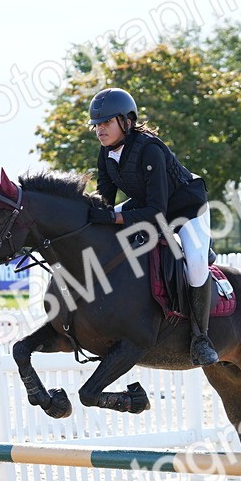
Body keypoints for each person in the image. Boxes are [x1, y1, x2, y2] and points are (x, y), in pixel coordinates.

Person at [86, 87, 219, 366]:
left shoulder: (151, 150)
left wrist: (113, 219)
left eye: (106, 123)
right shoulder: (106, 153)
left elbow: (157, 212)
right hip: (149, 204)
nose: (100, 130)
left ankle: (200, 338)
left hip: (186, 208)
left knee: (195, 263)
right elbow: (105, 202)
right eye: (97, 125)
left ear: (126, 121)